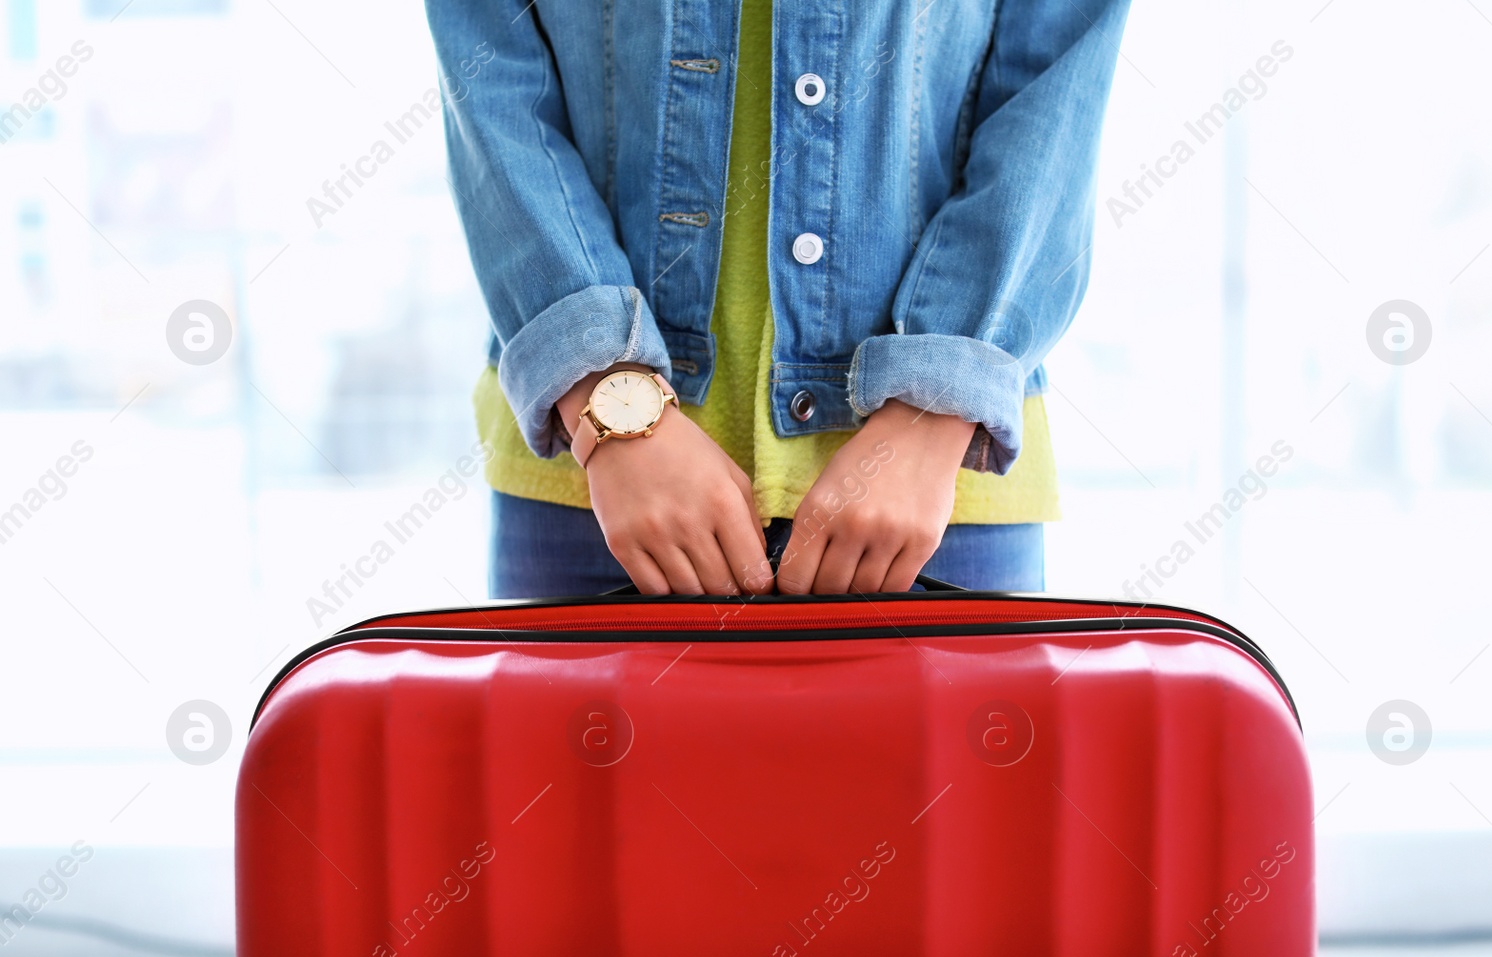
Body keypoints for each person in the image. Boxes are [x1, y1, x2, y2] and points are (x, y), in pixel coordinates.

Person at [425, 0, 1130, 598]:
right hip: (599, 472)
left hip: (935, 481)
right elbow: (489, 71)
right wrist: (606, 396)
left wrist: (933, 407)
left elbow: (1058, 75)